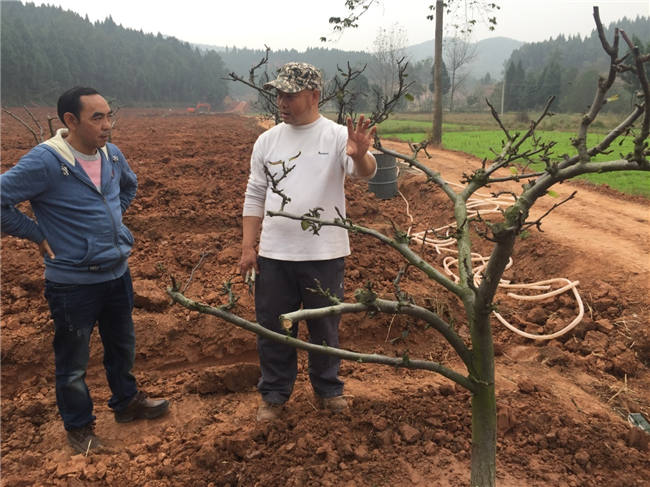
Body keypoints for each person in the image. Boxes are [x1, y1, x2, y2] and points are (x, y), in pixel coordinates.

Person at [0, 87, 170, 454]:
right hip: (72, 283)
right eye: (98, 118)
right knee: (73, 362)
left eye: (110, 116)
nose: (108, 125)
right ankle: (79, 428)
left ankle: (126, 403)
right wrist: (36, 233)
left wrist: (113, 219)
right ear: (70, 121)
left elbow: (129, 184)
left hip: (116, 273)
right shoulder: (47, 161)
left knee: (122, 347)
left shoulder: (111, 154)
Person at [239, 62, 377, 421]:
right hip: (274, 254)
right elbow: (254, 194)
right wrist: (248, 248)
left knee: (325, 326)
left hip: (324, 253)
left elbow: (363, 173)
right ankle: (274, 393)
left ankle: (328, 388)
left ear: (314, 96)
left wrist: (361, 155)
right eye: (279, 94)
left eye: (290, 95)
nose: (281, 102)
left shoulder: (334, 137)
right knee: (272, 326)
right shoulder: (267, 141)